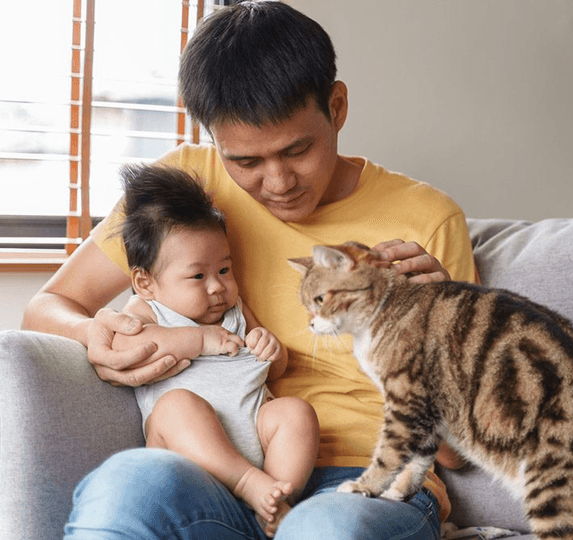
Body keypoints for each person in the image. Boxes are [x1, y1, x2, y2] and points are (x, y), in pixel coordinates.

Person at [22, 2, 477, 539]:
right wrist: (90, 332)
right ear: (213, 138)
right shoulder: (185, 187)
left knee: (327, 529)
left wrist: (435, 330)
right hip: (221, 471)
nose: (278, 182)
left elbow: (458, 454)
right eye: (246, 162)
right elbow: (45, 308)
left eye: (297, 149)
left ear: (337, 106)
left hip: (371, 477)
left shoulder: (427, 219)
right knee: (128, 484)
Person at [115, 162, 318, 536]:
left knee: (295, 413)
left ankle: (273, 500)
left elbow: (274, 368)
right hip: (191, 454)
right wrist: (200, 339)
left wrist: (270, 349)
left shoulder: (234, 310)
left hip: (256, 438)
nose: (217, 287)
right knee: (176, 406)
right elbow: (129, 346)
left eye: (224, 270)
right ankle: (250, 485)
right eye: (198, 276)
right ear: (146, 283)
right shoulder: (147, 310)